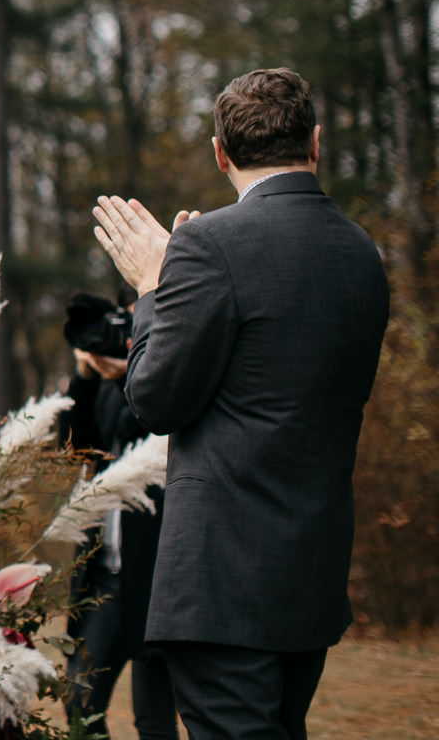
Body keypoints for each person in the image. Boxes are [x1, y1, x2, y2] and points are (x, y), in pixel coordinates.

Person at [92, 67, 389, 740]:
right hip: (310, 572)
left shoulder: (207, 246)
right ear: (315, 144)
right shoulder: (362, 254)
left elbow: (153, 401)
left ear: (219, 153)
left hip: (222, 581)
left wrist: (153, 288)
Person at [59, 294, 176, 740]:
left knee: (154, 719)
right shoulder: (105, 390)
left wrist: (136, 373)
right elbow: (75, 451)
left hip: (155, 583)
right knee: (79, 703)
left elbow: (145, 425)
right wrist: (86, 378)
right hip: (104, 579)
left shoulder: (173, 381)